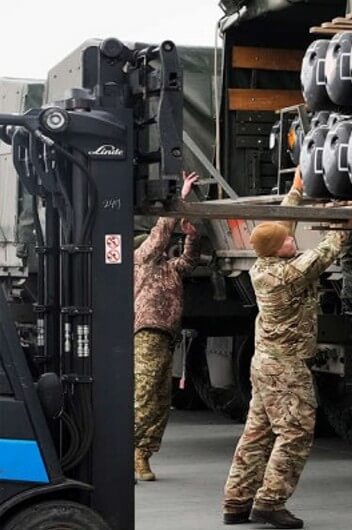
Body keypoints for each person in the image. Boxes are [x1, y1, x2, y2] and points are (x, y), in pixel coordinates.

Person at [222, 169, 348, 528]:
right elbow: (329, 249)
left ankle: (236, 502)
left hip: (265, 365)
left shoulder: (265, 264)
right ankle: (270, 502)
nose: (293, 240)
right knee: (295, 433)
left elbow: (283, 227)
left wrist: (295, 193)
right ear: (280, 250)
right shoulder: (287, 275)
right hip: (286, 369)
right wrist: (344, 217)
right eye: (287, 241)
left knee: (257, 433)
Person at [134, 171, 200, 481]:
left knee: (161, 400)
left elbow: (188, 262)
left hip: (166, 337)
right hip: (147, 333)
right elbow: (160, 234)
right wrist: (181, 199)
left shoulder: (169, 269)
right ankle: (129, 450)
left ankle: (143, 454)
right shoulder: (142, 260)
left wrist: (191, 236)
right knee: (145, 394)